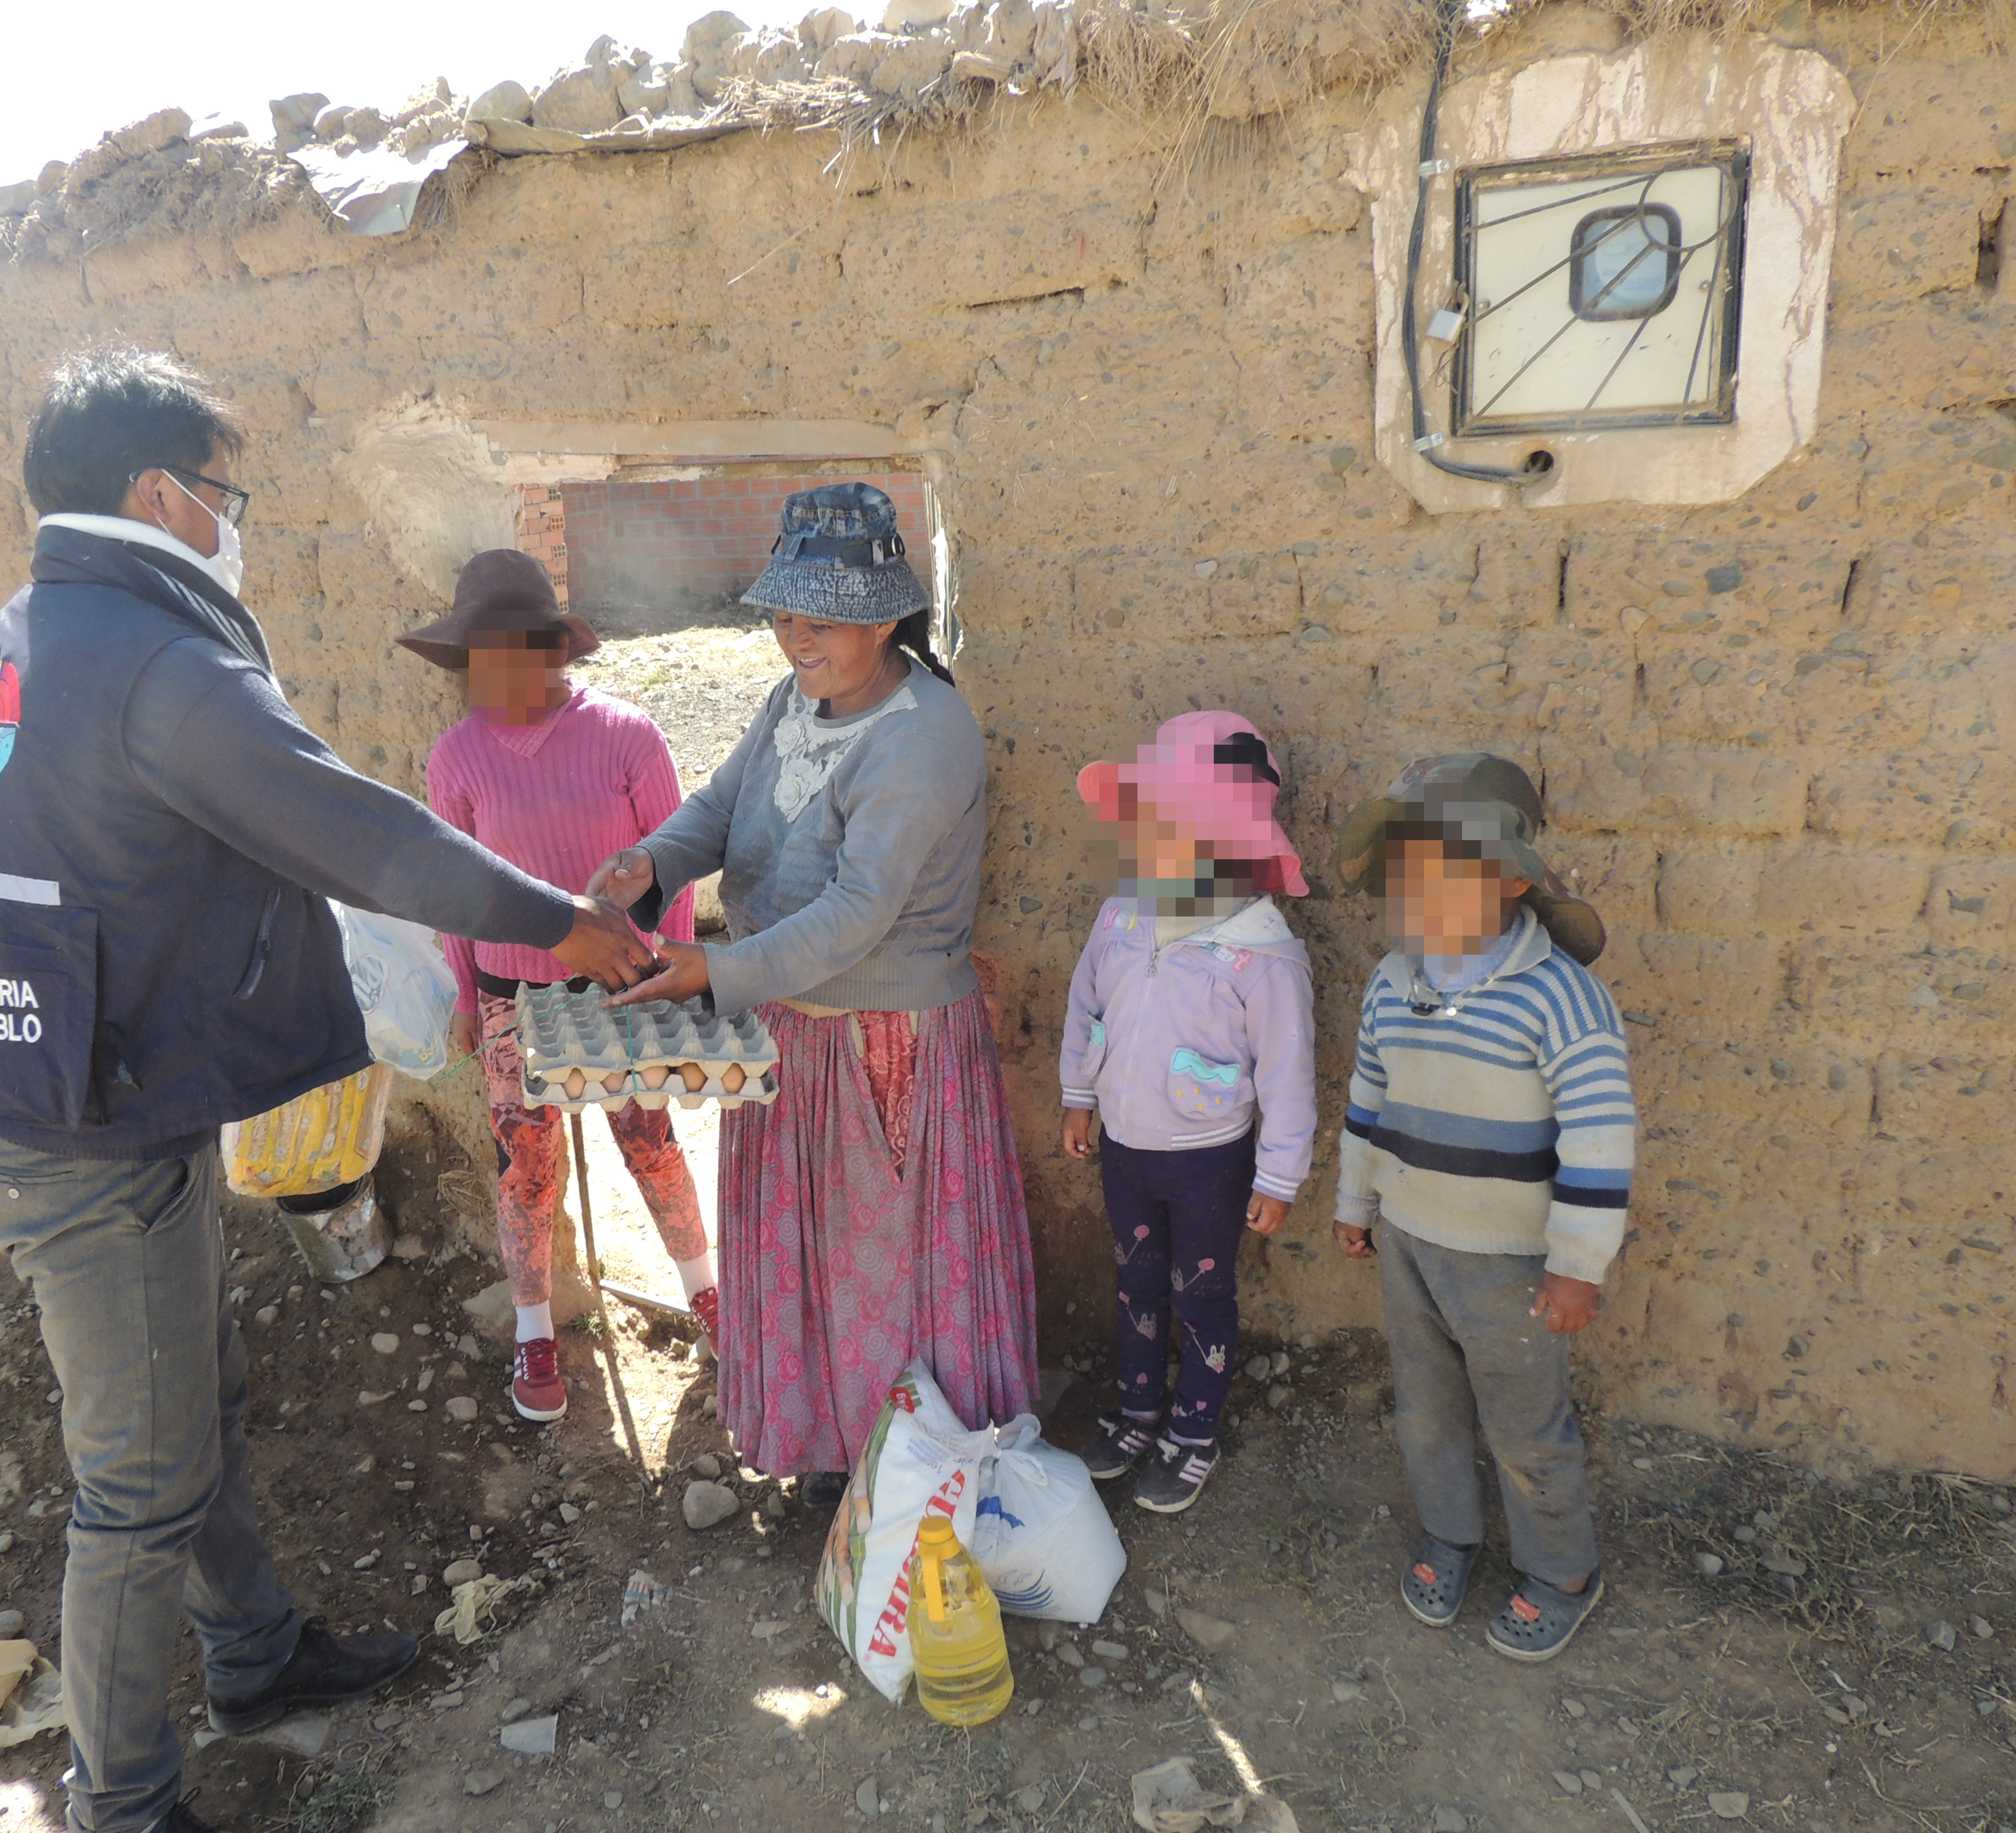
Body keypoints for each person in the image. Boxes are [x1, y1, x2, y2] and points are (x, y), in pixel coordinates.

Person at [0, 347, 651, 1833]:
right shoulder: (153, 661)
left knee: (204, 1398)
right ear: (156, 493)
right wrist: (566, 927)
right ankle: (122, 1803)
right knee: (137, 1485)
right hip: (89, 1126)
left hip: (78, 1083)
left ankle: (256, 1656)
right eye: (224, 489)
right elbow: (358, 833)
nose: (231, 518)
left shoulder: (9, 644)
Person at [588, 481, 1039, 1511]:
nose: (797, 639)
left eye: (820, 620)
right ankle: (835, 1453)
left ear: (885, 617)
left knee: (885, 1268)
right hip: (793, 1026)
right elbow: (721, 804)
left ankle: (918, 1468)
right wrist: (649, 867)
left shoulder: (923, 737)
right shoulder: (799, 699)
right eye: (785, 615)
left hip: (886, 1048)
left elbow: (860, 911)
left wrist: (717, 972)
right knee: (816, 1263)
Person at [397, 550, 717, 1425]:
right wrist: (468, 997)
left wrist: (676, 970)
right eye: (479, 657)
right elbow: (456, 896)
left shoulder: (627, 735)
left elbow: (677, 867)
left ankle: (707, 1294)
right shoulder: (456, 758)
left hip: (624, 987)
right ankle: (535, 1332)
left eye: (515, 651)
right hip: (511, 996)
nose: (495, 672)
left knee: (650, 1142)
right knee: (526, 1169)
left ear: (551, 651)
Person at [1331, 754, 1632, 1663]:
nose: (1417, 890)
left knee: (1524, 1423)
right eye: (1407, 870)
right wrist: (1357, 1199)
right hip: (1413, 1247)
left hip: (1510, 1265)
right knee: (1425, 1408)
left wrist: (1579, 1265)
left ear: (1510, 879)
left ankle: (1560, 1571)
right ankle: (1450, 1536)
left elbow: (1600, 1138)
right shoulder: (1396, 982)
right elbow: (1367, 1100)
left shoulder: (1563, 1000)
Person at [1058, 711, 1316, 1514]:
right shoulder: (1122, 917)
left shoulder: (1262, 953)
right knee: (1135, 1283)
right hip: (1129, 1150)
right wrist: (1078, 1094)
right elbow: (1086, 1005)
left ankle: (1193, 1432)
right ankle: (1139, 1413)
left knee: (1199, 1294)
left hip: (1209, 1160)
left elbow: (1286, 1071)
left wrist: (1279, 1175)